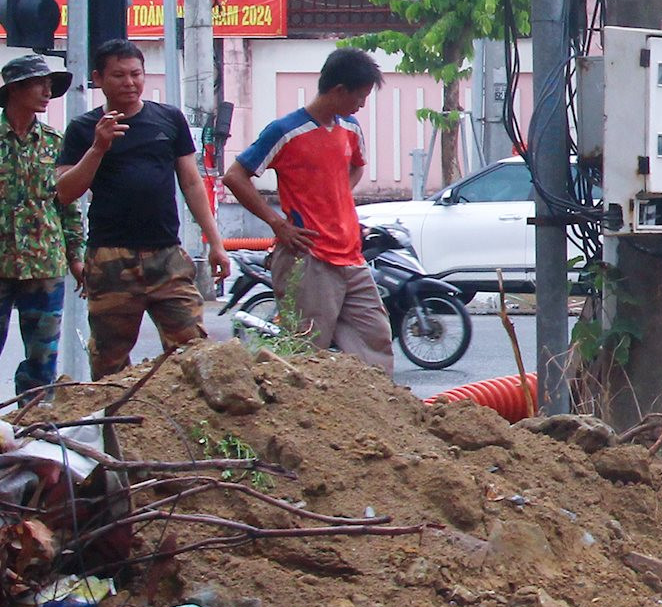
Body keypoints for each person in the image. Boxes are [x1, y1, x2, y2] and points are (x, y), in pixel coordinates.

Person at [56, 38, 229, 378]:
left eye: (136, 74)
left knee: (192, 351)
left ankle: (188, 427)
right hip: (110, 258)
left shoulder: (169, 119)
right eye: (119, 75)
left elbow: (192, 183)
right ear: (98, 79)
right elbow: (65, 191)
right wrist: (98, 147)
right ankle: (115, 428)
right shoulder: (83, 129)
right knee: (110, 360)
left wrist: (216, 242)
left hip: (166, 255)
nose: (130, 83)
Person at [223, 49, 391, 371]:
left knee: (375, 338)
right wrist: (276, 223)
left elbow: (355, 168)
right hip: (309, 256)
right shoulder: (285, 131)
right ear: (339, 90)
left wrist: (335, 194)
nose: (362, 105)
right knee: (305, 350)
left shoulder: (350, 128)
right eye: (360, 96)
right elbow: (235, 176)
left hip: (350, 254)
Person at [0, 56, 81, 400]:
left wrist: (77, 256)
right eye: (40, 84)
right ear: (15, 90)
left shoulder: (55, 141)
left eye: (50, 85)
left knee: (42, 360)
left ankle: (33, 431)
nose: (48, 92)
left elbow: (68, 202)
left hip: (45, 263)